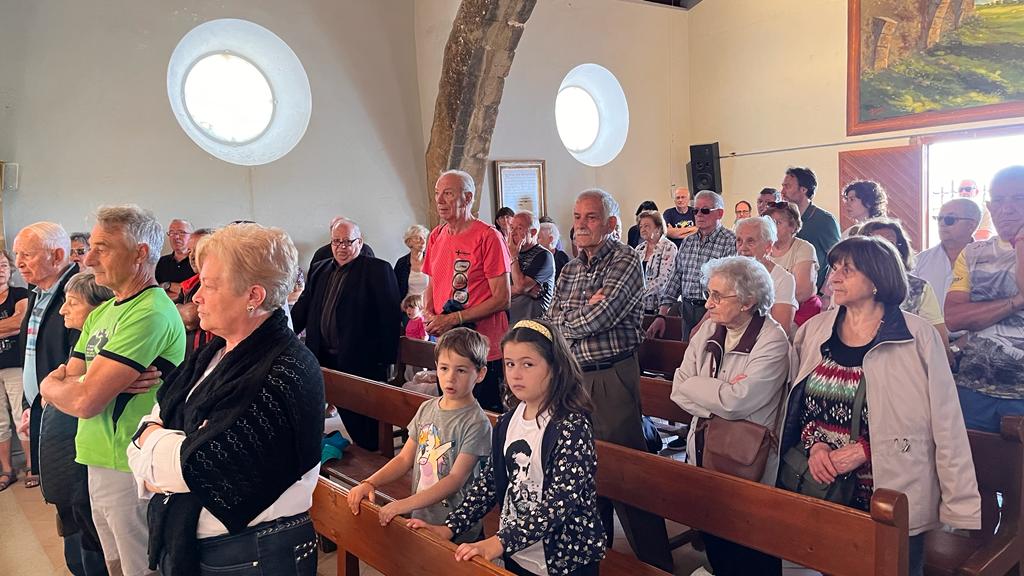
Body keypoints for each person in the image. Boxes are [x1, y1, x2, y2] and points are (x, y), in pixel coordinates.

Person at [127, 223, 324, 576]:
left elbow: (199, 466)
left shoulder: (283, 368)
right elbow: (150, 422)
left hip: (255, 554)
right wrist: (157, 445)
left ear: (254, 296)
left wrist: (153, 445)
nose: (196, 296)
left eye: (210, 285)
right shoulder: (214, 352)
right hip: (203, 546)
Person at [784, 236, 980, 576]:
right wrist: (815, 445)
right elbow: (800, 405)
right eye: (833, 268)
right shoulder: (815, 331)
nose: (833, 278)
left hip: (891, 490)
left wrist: (866, 450)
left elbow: (943, 421)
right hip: (826, 486)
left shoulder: (917, 336)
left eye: (847, 270)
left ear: (877, 277)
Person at [40, 205, 185, 576]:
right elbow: (63, 385)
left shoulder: (150, 311)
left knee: (140, 568)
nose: (88, 259)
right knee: (113, 564)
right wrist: (53, 384)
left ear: (140, 253)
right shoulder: (104, 312)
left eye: (102, 248)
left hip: (130, 461)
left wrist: (72, 387)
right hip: (94, 454)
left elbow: (85, 400)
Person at [409, 319, 606, 576]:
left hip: (566, 559)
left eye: (528, 364)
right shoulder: (507, 421)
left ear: (556, 368)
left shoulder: (571, 426)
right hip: (518, 551)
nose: (515, 374)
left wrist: (499, 542)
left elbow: (559, 503)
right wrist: (451, 527)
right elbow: (489, 484)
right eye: (510, 363)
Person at [545, 189, 673, 572]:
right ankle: (595, 559)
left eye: (591, 217)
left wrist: (576, 317)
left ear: (611, 223)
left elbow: (600, 318)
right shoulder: (570, 268)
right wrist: (582, 310)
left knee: (626, 474)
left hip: (611, 376)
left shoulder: (626, 259)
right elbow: (551, 321)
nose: (581, 225)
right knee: (582, 472)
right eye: (577, 217)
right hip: (572, 379)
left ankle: (657, 565)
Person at [671, 256, 789, 576]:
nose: (708, 304)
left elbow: (737, 402)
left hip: (747, 459)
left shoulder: (772, 340)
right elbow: (678, 389)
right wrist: (719, 396)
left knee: (751, 550)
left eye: (718, 296)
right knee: (716, 539)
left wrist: (702, 389)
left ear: (748, 302)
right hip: (704, 449)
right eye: (708, 293)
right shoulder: (711, 328)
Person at [347, 328, 492, 542]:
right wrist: (370, 483)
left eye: (461, 370)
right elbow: (404, 459)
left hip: (455, 529)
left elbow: (455, 479)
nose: (450, 378)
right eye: (444, 368)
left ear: (480, 374)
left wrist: (404, 504)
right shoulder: (427, 408)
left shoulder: (476, 423)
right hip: (421, 515)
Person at [291, 217, 401, 450]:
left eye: (347, 242)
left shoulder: (377, 270)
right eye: (336, 242)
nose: (341, 247)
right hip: (322, 356)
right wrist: (285, 332)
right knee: (323, 413)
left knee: (364, 420)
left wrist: (388, 360)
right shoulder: (320, 269)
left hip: (361, 358)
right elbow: (304, 307)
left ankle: (374, 455)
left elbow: (390, 318)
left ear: (359, 242)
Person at [41, 272, 112, 575]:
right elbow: (55, 387)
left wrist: (59, 387)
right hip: (68, 449)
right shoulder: (83, 339)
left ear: (100, 307)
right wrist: (56, 387)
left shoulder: (109, 341)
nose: (62, 310)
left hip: (95, 453)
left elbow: (82, 394)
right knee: (77, 526)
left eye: (73, 303)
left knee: (94, 535)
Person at [423, 170, 511, 412]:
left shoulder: (488, 236)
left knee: (484, 418)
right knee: (450, 414)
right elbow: (432, 283)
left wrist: (454, 318)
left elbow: (502, 298)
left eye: (448, 194)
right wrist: (429, 314)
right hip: (448, 347)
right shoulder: (436, 235)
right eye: (437, 194)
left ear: (468, 197)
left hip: (482, 349)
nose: (440, 200)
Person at [946, 166, 1024, 432]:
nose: (1007, 209)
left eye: (1018, 198)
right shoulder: (973, 253)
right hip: (975, 390)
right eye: (999, 200)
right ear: (989, 207)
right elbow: (954, 318)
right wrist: (1016, 302)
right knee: (973, 458)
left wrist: (1020, 240)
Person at [13, 222, 80, 490]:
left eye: (27, 254)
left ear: (57, 255)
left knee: (73, 498)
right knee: (57, 495)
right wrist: (29, 404)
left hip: (67, 418)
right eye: (17, 254)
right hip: (43, 409)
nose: (18, 262)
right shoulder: (37, 292)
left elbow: (79, 363)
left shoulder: (80, 294)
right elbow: (31, 355)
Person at [649, 190, 737, 339]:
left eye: (705, 210)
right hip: (687, 309)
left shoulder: (730, 241)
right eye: (695, 211)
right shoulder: (688, 242)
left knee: (711, 352)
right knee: (688, 351)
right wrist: (661, 315)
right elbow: (675, 278)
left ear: (720, 213)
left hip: (715, 311)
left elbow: (727, 288)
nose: (699, 215)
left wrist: (703, 324)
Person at [858, 218, 951, 355]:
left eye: (890, 243)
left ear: (900, 249)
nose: (883, 249)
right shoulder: (846, 285)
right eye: (875, 244)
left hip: (906, 359)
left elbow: (940, 344)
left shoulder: (919, 288)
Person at [914, 198, 980, 313]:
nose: (942, 224)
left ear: (971, 225)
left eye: (950, 219)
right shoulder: (920, 261)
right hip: (927, 325)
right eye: (939, 219)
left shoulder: (987, 260)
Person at [735, 217, 797, 336]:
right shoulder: (730, 272)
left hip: (764, 341)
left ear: (768, 246)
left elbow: (781, 331)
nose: (742, 248)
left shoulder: (783, 279)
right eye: (739, 241)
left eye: (750, 241)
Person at [782, 167, 840, 292]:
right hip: (785, 293)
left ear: (803, 189)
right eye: (783, 186)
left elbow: (838, 259)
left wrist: (824, 292)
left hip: (814, 294)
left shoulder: (825, 220)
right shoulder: (782, 219)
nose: (782, 191)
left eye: (788, 186)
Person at [0, 250, 30, 491]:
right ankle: (7, 470)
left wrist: (12, 325)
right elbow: (10, 325)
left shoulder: (20, 294)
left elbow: (19, 322)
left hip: (15, 364)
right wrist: (6, 327)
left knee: (23, 417)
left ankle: (31, 466)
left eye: (3, 264)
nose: (0, 270)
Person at [767, 201, 821, 326]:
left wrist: (770, 306)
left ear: (793, 226)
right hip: (769, 310)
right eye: (769, 223)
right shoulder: (764, 248)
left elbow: (802, 292)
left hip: (800, 311)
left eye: (777, 223)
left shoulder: (804, 248)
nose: (771, 227)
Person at [173, 227, 215, 361]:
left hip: (212, 359)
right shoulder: (189, 285)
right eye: (190, 250)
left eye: (198, 251)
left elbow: (191, 315)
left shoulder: (223, 283)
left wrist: (183, 312)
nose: (192, 256)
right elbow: (169, 316)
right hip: (186, 361)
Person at [508, 211, 555, 323]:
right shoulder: (506, 253)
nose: (513, 233)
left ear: (533, 232)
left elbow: (520, 286)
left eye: (519, 228)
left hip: (532, 323)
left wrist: (514, 257)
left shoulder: (544, 256)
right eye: (512, 228)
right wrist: (524, 291)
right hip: (508, 320)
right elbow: (495, 290)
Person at [634, 210, 677, 314]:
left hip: (659, 307)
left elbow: (664, 279)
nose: (642, 229)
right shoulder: (639, 248)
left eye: (647, 226)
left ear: (658, 228)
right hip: (638, 305)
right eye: (641, 226)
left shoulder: (669, 247)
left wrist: (639, 292)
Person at [308, 216, 376, 270]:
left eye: (347, 241)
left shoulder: (366, 250)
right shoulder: (321, 254)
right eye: (336, 240)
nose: (342, 246)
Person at [155, 219, 194, 301]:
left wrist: (167, 286)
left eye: (181, 232)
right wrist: (171, 286)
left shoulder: (197, 262)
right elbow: (156, 291)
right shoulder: (162, 261)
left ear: (191, 236)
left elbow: (193, 293)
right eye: (172, 233)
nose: (176, 237)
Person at [394, 224, 431, 299]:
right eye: (418, 238)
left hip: (427, 304)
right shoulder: (402, 263)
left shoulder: (431, 260)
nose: (423, 241)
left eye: (424, 238)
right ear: (409, 242)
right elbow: (395, 288)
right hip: (407, 304)